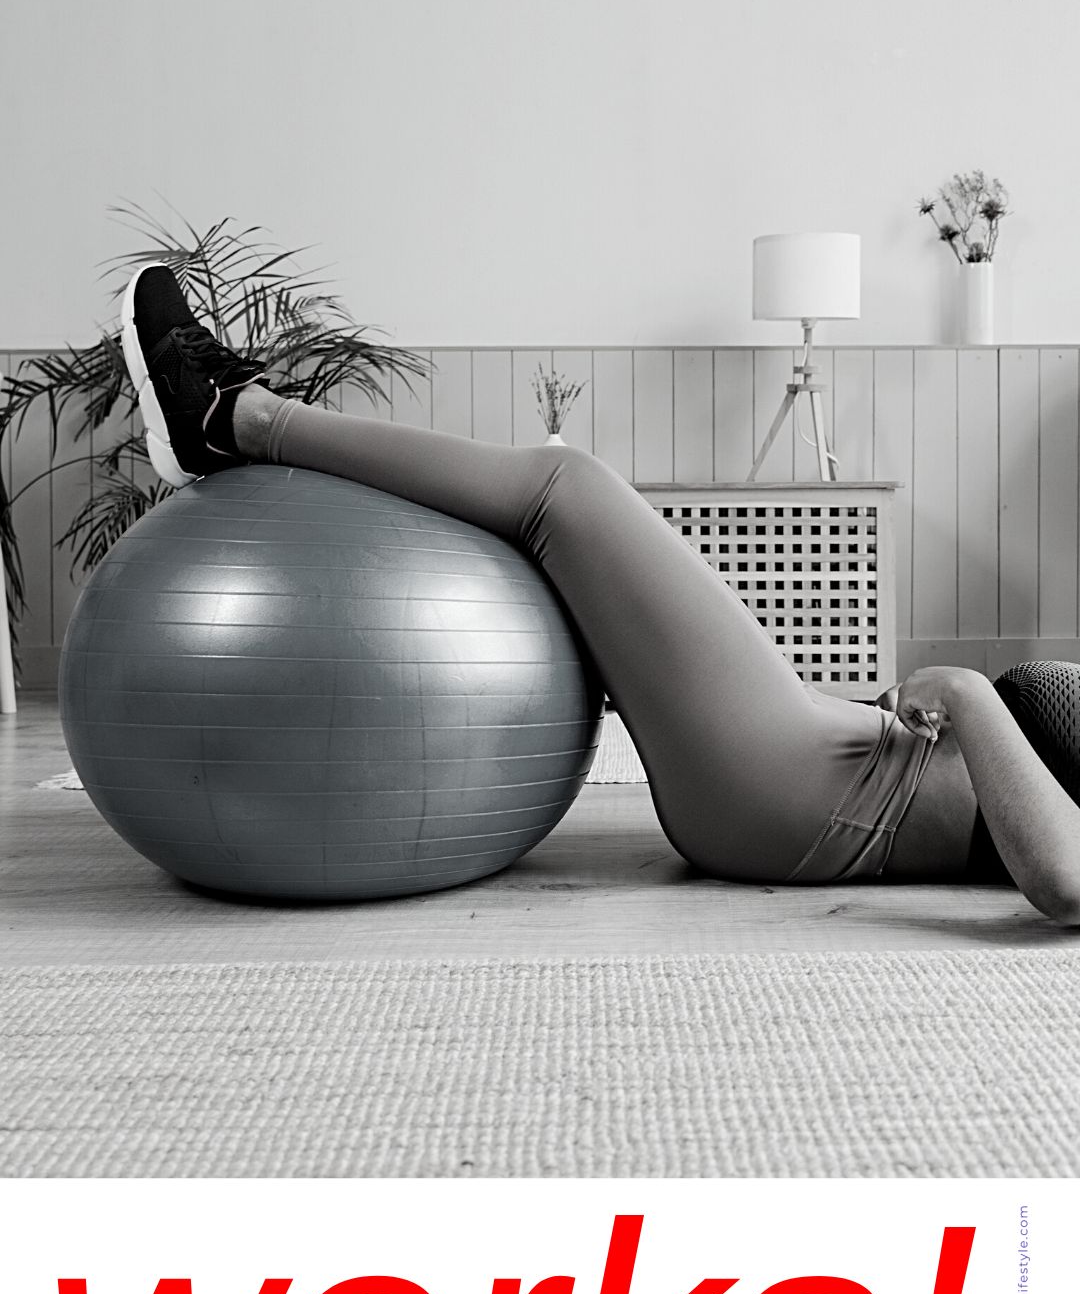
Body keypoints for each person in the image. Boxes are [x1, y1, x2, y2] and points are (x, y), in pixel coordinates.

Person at [120, 264, 1080, 926]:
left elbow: (1064, 878)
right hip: (830, 764)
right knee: (566, 539)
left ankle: (230, 419)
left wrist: (966, 694)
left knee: (560, 492)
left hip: (813, 801)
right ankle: (236, 419)